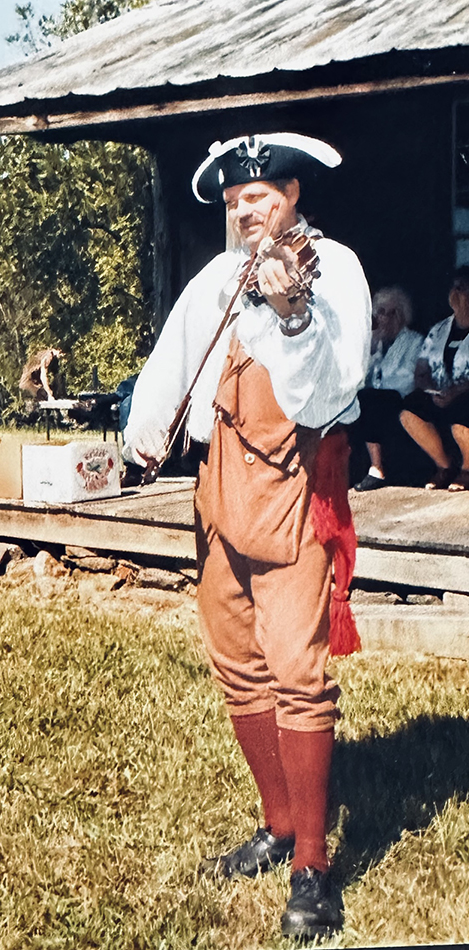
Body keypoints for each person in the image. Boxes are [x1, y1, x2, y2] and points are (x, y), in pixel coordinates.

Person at [124, 133, 370, 940]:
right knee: (236, 661)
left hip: (294, 479)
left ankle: (313, 866)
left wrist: (290, 316)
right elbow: (172, 358)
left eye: (259, 196)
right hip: (220, 483)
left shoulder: (334, 272)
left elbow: (326, 391)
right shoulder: (217, 276)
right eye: (234, 202)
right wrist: (146, 431)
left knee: (298, 671)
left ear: (293, 195)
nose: (245, 211)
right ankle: (277, 822)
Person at [399, 267, 469, 491]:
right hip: (440, 393)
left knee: (462, 412)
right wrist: (430, 389)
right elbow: (421, 370)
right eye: (454, 288)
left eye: (462, 288)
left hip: (464, 394)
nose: (456, 294)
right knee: (410, 408)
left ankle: (467, 470)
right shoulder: (439, 329)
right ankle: (444, 466)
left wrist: (456, 391)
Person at [352, 286, 423, 490]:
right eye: (381, 312)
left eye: (392, 313)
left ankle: (377, 467)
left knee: (371, 399)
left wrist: (380, 381)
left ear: (401, 315)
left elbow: (408, 377)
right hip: (377, 396)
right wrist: (372, 349)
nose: (385, 318)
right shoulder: (376, 343)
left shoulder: (414, 341)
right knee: (362, 398)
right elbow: (360, 376)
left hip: (402, 396)